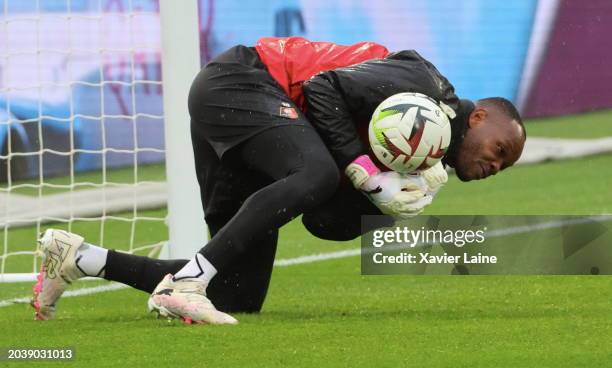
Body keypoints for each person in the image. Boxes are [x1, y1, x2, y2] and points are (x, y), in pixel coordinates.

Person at [31, 37, 525, 324]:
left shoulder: (423, 159)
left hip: (252, 112)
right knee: (315, 171)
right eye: (499, 150)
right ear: (477, 117)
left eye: (503, 168)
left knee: (238, 295)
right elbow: (322, 86)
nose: (493, 165)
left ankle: (78, 259)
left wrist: (382, 205)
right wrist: (369, 173)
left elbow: (325, 223)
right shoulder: (424, 88)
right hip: (241, 82)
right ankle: (183, 284)